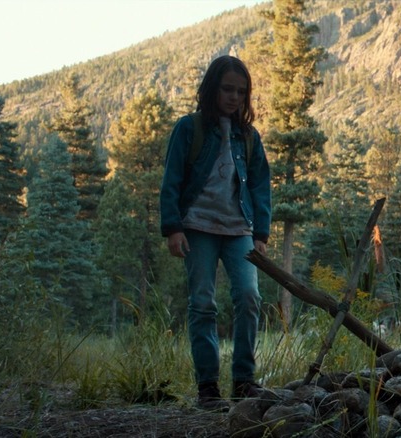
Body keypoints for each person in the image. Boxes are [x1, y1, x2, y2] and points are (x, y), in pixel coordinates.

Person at [160, 55, 271, 411]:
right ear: (212, 88)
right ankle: (208, 388)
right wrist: (173, 227)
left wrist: (261, 234)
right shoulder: (189, 129)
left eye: (241, 91)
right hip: (197, 227)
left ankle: (244, 382)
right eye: (227, 89)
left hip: (239, 229)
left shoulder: (249, 137)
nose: (234, 97)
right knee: (203, 304)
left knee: (249, 297)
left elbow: (259, 187)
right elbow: (171, 180)